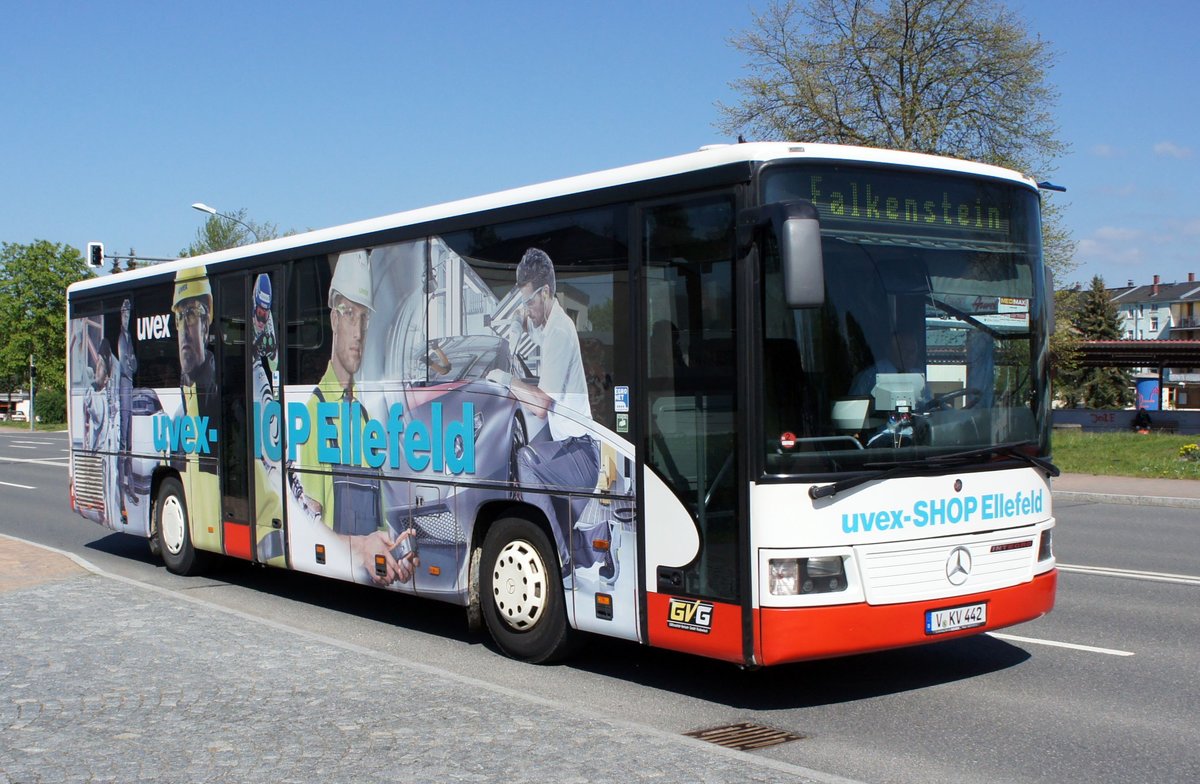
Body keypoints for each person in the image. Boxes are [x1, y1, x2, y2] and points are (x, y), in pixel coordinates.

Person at [489, 248, 615, 584]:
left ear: (545, 292)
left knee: (526, 460)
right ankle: (603, 541)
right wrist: (517, 322)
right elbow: (523, 335)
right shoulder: (547, 321)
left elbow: (541, 404)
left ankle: (555, 559)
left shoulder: (559, 331)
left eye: (530, 302)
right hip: (571, 448)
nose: (528, 310)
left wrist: (504, 381)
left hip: (581, 453)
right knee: (558, 523)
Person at [295, 250, 416, 586]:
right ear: (334, 318)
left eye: (364, 317)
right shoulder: (314, 412)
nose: (359, 331)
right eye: (350, 315)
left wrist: (391, 556)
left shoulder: (365, 420)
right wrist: (361, 549)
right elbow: (309, 533)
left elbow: (375, 532)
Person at [171, 266, 221, 552]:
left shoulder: (218, 395)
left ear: (206, 324)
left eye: (192, 314)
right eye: (180, 317)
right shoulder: (181, 411)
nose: (185, 328)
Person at [116, 299, 137, 504]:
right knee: (123, 442)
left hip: (129, 389)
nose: (127, 316)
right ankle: (122, 485)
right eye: (124, 313)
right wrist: (130, 362)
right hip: (124, 391)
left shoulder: (130, 337)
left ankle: (129, 485)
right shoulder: (122, 338)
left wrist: (131, 362)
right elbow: (125, 365)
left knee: (130, 443)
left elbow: (134, 365)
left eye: (129, 313)